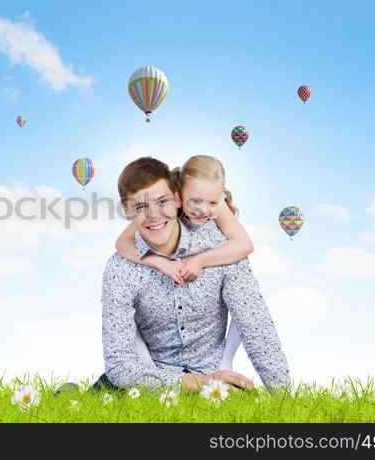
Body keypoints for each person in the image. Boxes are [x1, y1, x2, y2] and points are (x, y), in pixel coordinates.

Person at [97, 156, 290, 393]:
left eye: (162, 202)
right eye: (140, 207)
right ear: (126, 209)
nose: (154, 215)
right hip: (148, 379)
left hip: (214, 374)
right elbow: (119, 365)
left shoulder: (224, 251)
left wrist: (283, 396)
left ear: (178, 200)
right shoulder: (121, 269)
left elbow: (256, 326)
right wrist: (193, 383)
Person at [116, 154, 253, 372]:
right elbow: (122, 242)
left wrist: (200, 260)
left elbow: (244, 244)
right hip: (162, 352)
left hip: (208, 346)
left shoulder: (215, 203)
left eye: (212, 202)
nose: (203, 210)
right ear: (179, 193)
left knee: (242, 297)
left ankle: (226, 361)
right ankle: (151, 371)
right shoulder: (160, 207)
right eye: (195, 201)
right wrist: (159, 262)